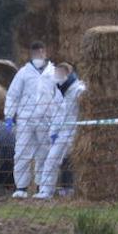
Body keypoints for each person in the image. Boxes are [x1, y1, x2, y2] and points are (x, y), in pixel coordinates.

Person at [4, 41, 52, 198]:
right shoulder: (24, 73)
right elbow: (13, 95)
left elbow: (59, 96)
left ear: (45, 53)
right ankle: (21, 187)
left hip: (45, 119)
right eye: (36, 53)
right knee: (22, 152)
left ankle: (41, 186)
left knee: (43, 153)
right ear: (32, 54)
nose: (39, 56)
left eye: (41, 52)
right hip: (25, 118)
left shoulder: (52, 72)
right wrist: (9, 115)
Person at [36, 62, 86, 200]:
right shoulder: (61, 90)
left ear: (67, 73)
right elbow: (58, 114)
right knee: (52, 160)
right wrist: (53, 131)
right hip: (62, 133)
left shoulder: (78, 89)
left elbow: (87, 103)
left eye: (59, 73)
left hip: (74, 132)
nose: (56, 76)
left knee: (66, 161)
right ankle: (46, 191)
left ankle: (61, 190)